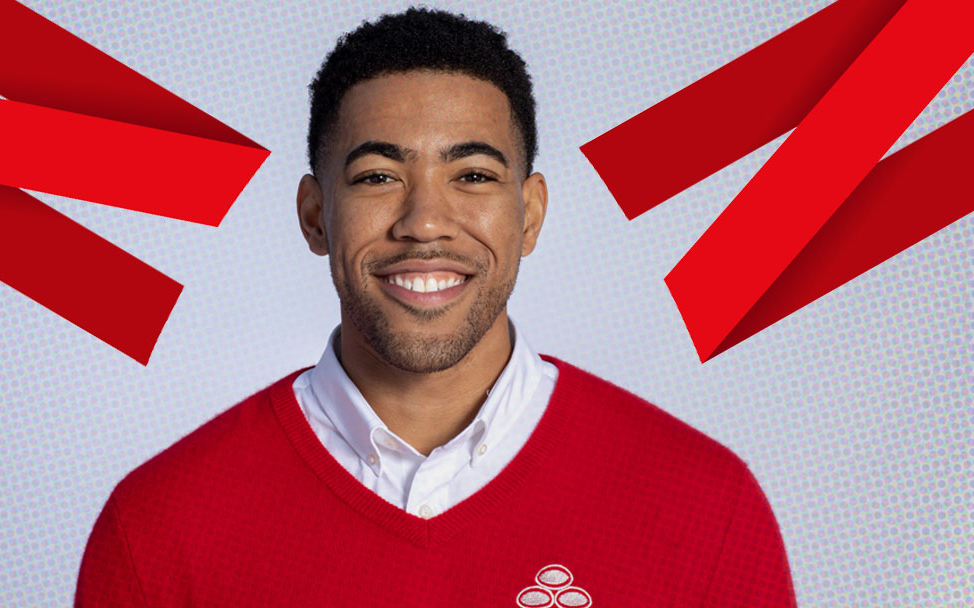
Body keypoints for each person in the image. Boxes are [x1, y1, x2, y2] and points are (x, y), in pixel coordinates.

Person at [75, 7, 797, 606]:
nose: (425, 220)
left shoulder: (706, 510)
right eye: (379, 175)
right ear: (315, 215)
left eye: (473, 174)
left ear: (530, 214)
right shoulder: (160, 530)